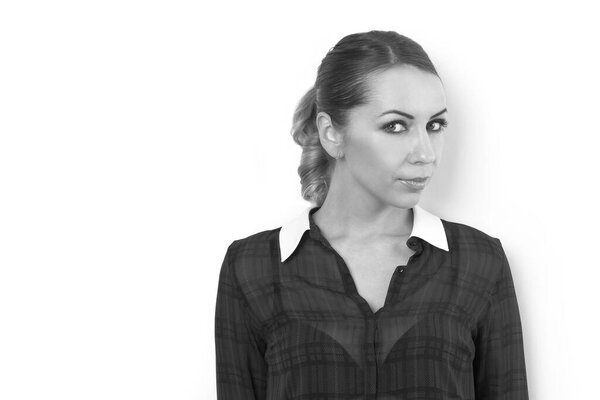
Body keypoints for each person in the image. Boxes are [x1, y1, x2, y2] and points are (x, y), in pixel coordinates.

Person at [214, 30, 529, 400]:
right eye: (396, 126)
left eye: (435, 125)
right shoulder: (252, 267)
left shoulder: (479, 261)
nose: (425, 153)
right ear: (332, 134)